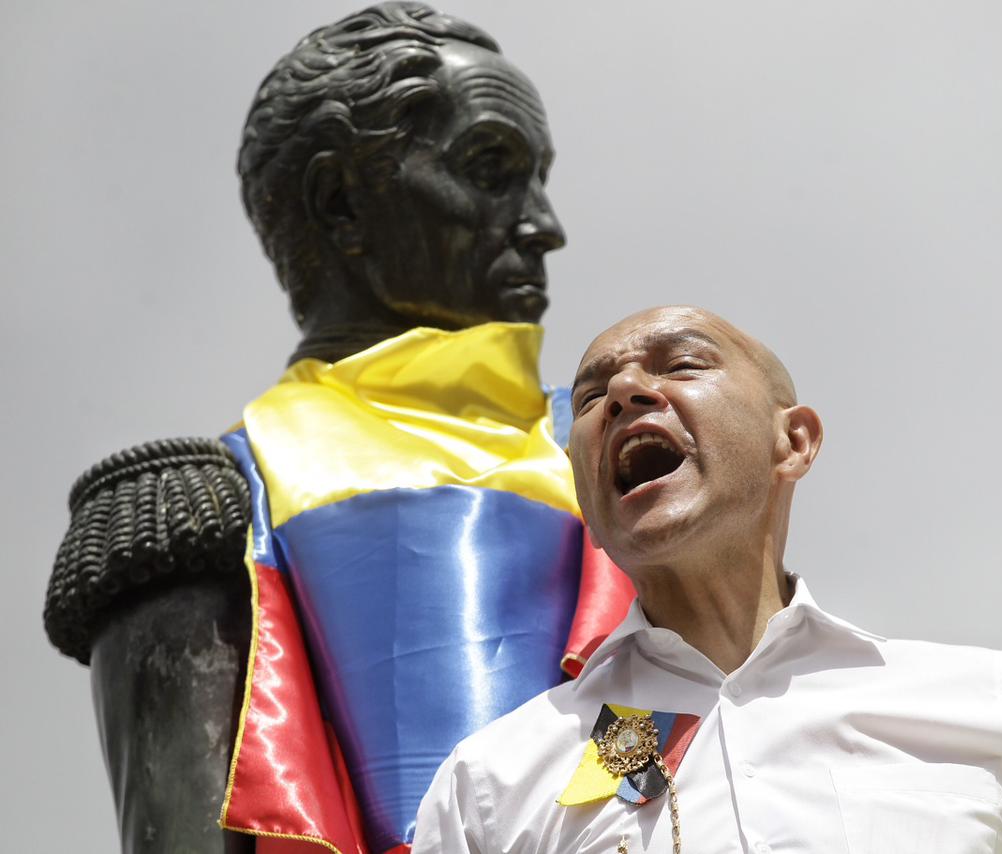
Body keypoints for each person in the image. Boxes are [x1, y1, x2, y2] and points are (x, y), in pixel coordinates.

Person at [43, 5, 632, 853]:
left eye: (537, 175)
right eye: (490, 168)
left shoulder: (623, 456)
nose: (545, 224)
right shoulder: (188, 512)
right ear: (339, 204)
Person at [411, 304, 1002, 853]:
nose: (628, 393)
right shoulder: (500, 777)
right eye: (595, 393)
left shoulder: (981, 701)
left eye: (680, 364)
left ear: (795, 442)